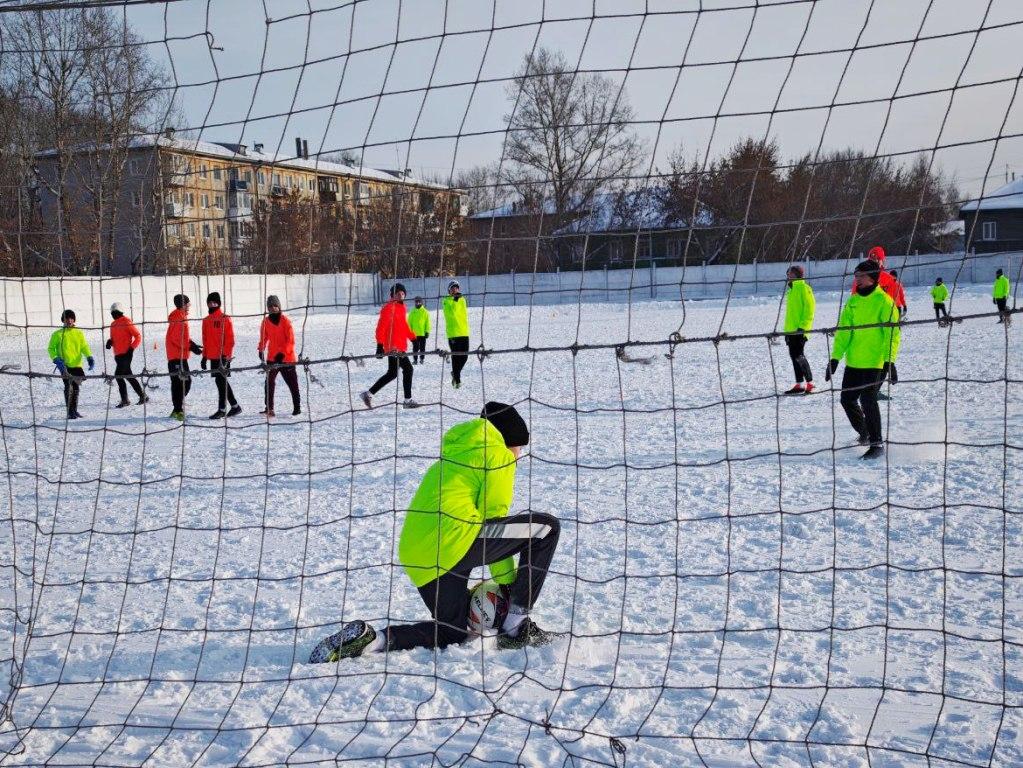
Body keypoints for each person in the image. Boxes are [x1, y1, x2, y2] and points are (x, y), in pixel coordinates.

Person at [309, 402, 560, 661]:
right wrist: (508, 585)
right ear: (509, 440)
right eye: (520, 448)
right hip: (454, 539)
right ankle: (516, 626)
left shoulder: (453, 456)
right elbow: (493, 520)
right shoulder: (498, 455)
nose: (519, 456)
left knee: (452, 632)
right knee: (547, 528)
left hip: (419, 554)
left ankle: (372, 640)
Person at [826, 260, 901, 460]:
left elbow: (892, 334)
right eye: (856, 276)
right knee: (847, 399)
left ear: (873, 277)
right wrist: (835, 358)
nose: (857, 279)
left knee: (868, 399)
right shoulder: (853, 301)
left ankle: (877, 444)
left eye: (861, 276)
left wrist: (890, 361)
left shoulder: (884, 302)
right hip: (854, 362)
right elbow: (844, 332)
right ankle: (865, 433)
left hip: (876, 363)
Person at [360, 283, 418, 409]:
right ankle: (407, 400)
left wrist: (413, 338)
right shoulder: (389, 308)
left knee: (392, 373)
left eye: (402, 293)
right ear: (392, 295)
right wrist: (379, 345)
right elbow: (381, 327)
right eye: (398, 293)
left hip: (400, 345)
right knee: (408, 369)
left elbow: (403, 326)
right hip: (393, 346)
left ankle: (368, 394)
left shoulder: (401, 307)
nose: (401, 295)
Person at [257, 295, 301, 418]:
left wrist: (283, 353)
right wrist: (261, 349)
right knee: (269, 383)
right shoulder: (265, 321)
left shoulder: (285, 321)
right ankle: (269, 408)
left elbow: (290, 340)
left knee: (292, 383)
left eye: (275, 306)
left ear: (279, 306)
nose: (273, 308)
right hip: (272, 358)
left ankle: (297, 407)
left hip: (287, 358)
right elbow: (264, 337)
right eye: (270, 306)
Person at [201, 292, 241, 419]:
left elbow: (230, 339)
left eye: (214, 302)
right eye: (210, 302)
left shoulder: (225, 318)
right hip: (212, 357)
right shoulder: (206, 320)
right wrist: (204, 356)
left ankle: (223, 409)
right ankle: (234, 406)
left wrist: (227, 356)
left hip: (222, 356)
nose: (212, 305)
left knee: (221, 381)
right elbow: (205, 340)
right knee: (220, 382)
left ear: (219, 303)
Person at [48, 309, 94, 420]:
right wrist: (56, 359)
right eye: (67, 318)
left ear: (74, 320)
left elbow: (84, 346)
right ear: (63, 320)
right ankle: (69, 412)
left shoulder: (78, 333)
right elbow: (51, 349)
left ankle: (74, 410)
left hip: (77, 365)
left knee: (76, 388)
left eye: (71, 318)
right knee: (69, 387)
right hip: (64, 366)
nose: (69, 320)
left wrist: (89, 357)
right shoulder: (58, 334)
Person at [166, 294, 202, 421]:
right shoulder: (178, 317)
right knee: (182, 383)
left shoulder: (180, 316)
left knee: (182, 382)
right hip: (177, 356)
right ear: (182, 305)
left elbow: (182, 336)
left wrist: (192, 344)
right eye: (187, 304)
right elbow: (176, 338)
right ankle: (178, 410)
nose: (189, 306)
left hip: (179, 355)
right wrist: (190, 346)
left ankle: (177, 408)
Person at [781, 265, 815, 395]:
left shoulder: (805, 288)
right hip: (790, 330)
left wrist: (803, 328)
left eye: (790, 274)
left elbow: (809, 309)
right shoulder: (791, 290)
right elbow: (791, 314)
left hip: (800, 330)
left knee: (799, 355)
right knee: (794, 356)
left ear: (797, 275)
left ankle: (810, 383)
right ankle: (799, 384)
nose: (788, 276)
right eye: (787, 274)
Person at [106, 302, 148, 407]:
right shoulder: (113, 324)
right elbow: (115, 339)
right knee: (129, 376)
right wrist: (110, 342)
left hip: (126, 354)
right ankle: (143, 396)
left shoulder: (126, 321)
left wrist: (131, 348)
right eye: (112, 313)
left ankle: (125, 400)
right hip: (117, 355)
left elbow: (138, 336)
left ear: (120, 312)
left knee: (118, 376)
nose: (114, 314)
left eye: (115, 312)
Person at [443, 280, 470, 389]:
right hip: (453, 333)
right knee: (456, 356)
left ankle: (455, 372)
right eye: (452, 288)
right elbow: (452, 315)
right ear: (449, 290)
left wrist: (457, 299)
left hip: (463, 331)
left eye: (456, 288)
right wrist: (455, 300)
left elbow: (462, 314)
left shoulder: (462, 300)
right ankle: (457, 380)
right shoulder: (446, 301)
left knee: (465, 356)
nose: (455, 290)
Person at [408, 296, 430, 364]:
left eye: (419, 301)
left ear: (421, 302)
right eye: (416, 302)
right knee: (415, 347)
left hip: (422, 333)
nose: (417, 303)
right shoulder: (412, 312)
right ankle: (415, 360)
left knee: (422, 347)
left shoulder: (425, 312)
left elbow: (427, 323)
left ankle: (422, 359)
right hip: (414, 334)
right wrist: (410, 333)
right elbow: (409, 323)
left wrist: (427, 331)